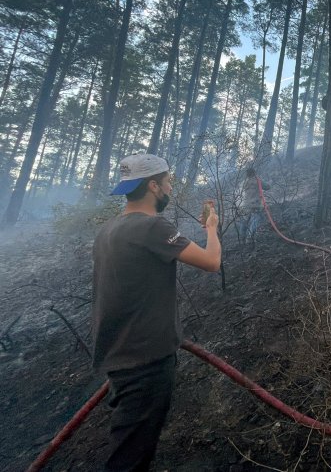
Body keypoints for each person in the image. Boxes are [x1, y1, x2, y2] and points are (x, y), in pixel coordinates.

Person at [92, 154, 221, 471]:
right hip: (145, 362)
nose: (170, 190)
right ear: (153, 186)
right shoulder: (152, 226)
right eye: (168, 184)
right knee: (129, 460)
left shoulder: (109, 230)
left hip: (120, 355)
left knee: (131, 448)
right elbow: (211, 262)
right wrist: (212, 229)